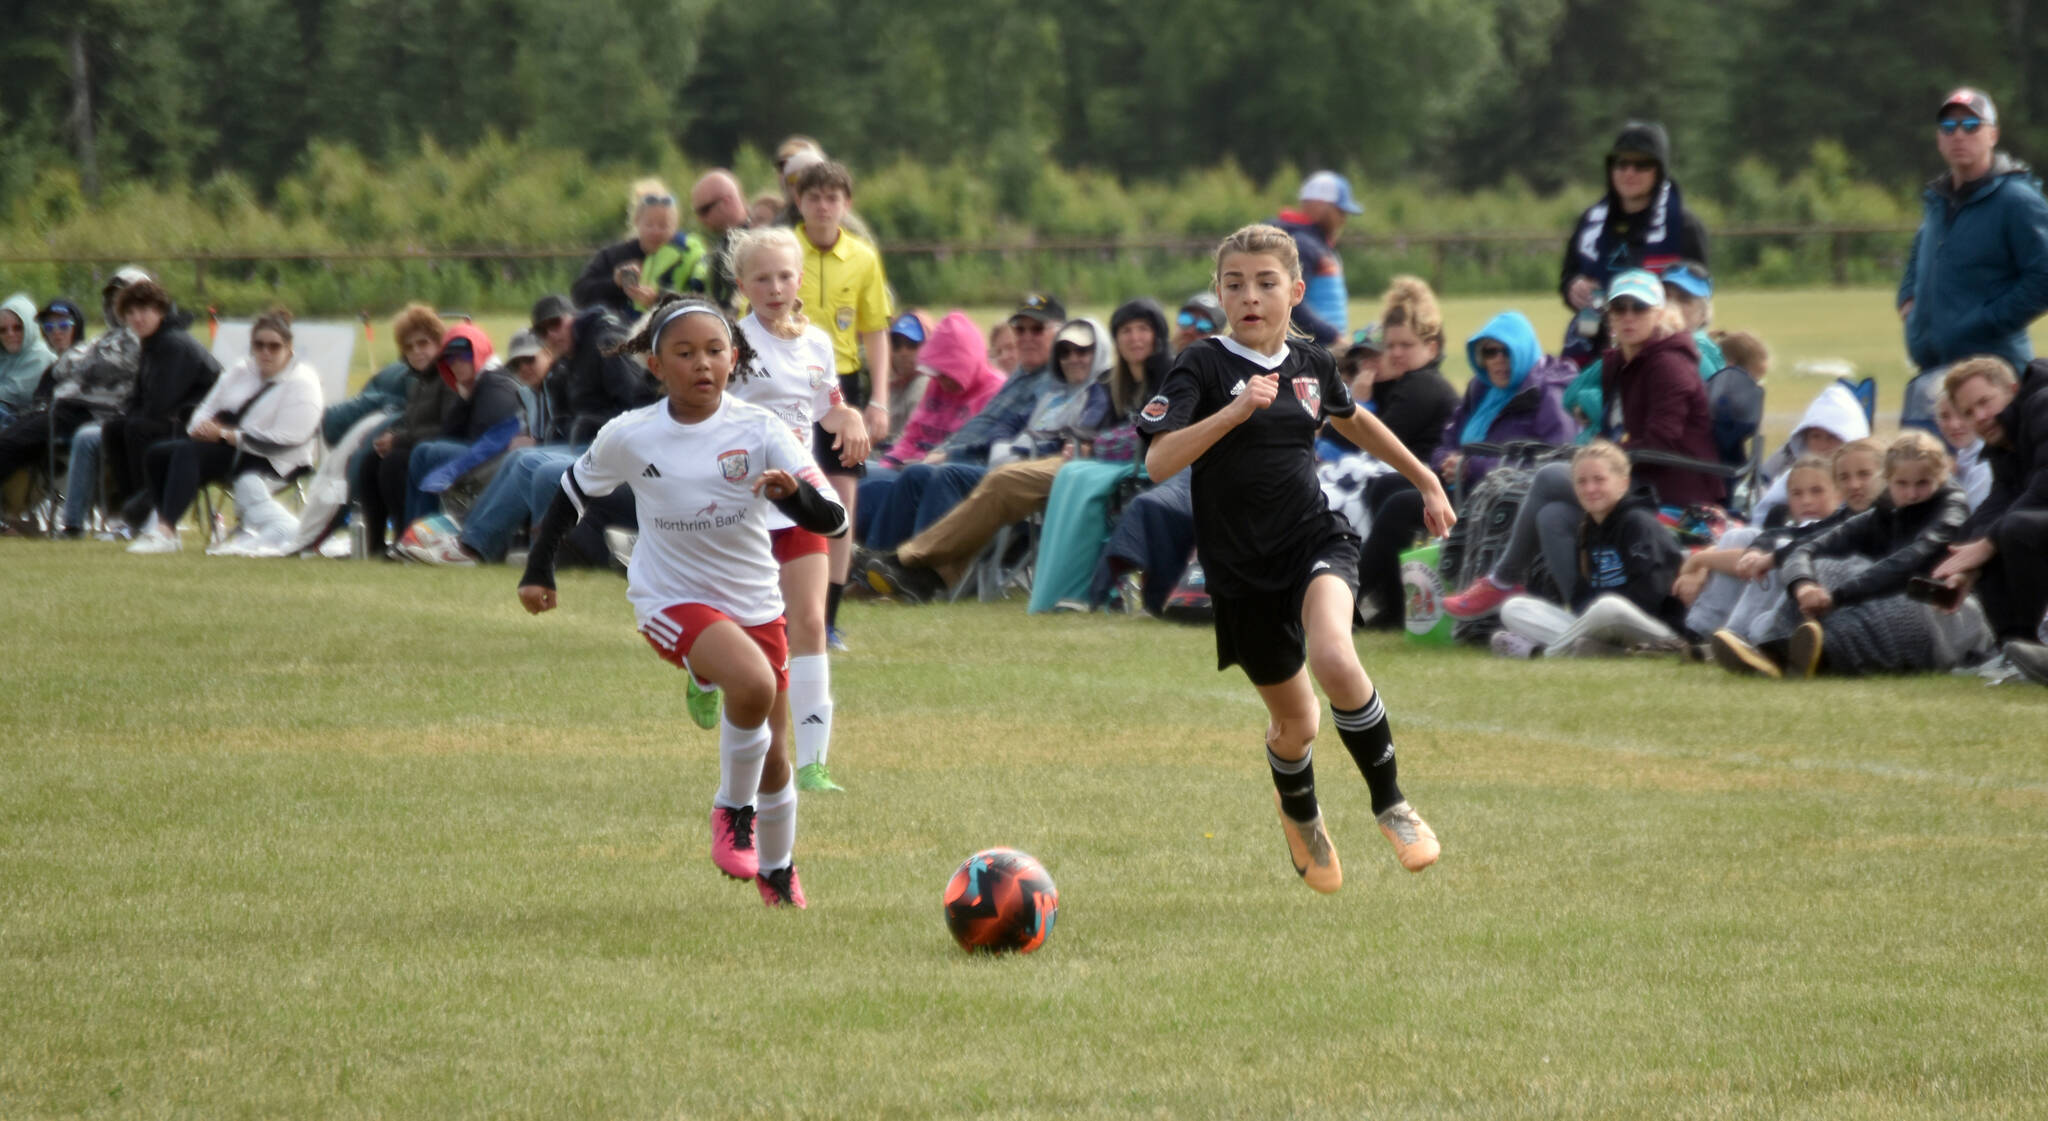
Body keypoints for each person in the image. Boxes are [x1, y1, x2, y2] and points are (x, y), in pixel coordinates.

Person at [1135, 223, 1453, 894]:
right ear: (1221, 292)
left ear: (1296, 291)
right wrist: (1230, 415)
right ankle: (1300, 809)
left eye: (1265, 282)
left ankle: (1392, 803)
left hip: (1315, 537)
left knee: (1336, 654)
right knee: (1296, 723)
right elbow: (1158, 459)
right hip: (1241, 572)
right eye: (1234, 283)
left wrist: (1424, 477)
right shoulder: (1201, 365)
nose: (1249, 295)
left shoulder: (1312, 362)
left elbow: (1352, 417)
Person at [517, 296, 850, 909]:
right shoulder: (632, 434)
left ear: (734, 359)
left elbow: (833, 518)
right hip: (670, 599)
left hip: (754, 605)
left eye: (716, 351)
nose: (703, 364)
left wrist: (793, 498)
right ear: (655, 365)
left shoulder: (761, 430)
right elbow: (571, 491)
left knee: (776, 757)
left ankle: (777, 873)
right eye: (686, 353)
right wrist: (539, 571)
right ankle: (731, 809)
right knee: (751, 685)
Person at [1443, 270, 1719, 619]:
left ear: (1659, 313)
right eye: (1619, 309)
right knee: (1552, 516)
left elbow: (1661, 442)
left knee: (1548, 477)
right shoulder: (1621, 362)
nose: (1629, 317)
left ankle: (1503, 578)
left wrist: (1603, 458)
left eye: (1640, 308)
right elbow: (1588, 405)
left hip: (1671, 489)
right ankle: (1582, 614)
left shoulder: (1670, 364)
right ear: (1609, 316)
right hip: (1634, 477)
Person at [728, 226, 870, 793]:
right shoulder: (728, 341)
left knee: (809, 623)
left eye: (784, 276)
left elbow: (826, 408)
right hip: (739, 503)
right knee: (742, 633)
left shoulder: (815, 343)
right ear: (743, 285)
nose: (775, 286)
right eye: (761, 278)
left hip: (800, 498)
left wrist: (851, 418)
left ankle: (813, 763)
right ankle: (707, 673)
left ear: (800, 280)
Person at [861, 315, 1113, 603]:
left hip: (1028, 481)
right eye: (1065, 351)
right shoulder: (1054, 395)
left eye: (1082, 351)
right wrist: (981, 447)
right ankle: (871, 570)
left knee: (946, 475)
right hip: (1002, 465)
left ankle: (917, 574)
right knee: (916, 474)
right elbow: (1008, 425)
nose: (1072, 358)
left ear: (1099, 353)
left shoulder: (1097, 394)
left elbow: (1075, 439)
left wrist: (1020, 449)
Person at [1715, 432, 1982, 678]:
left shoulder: (1951, 510)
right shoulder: (1884, 511)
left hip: (1944, 610)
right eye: (1902, 484)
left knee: (1869, 613)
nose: (1911, 494)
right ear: (1888, 481)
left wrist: (1837, 596)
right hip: (1887, 595)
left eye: (1922, 483)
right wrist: (1804, 584)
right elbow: (1811, 545)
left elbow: (1910, 559)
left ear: (1941, 478)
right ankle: (1768, 650)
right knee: (1826, 567)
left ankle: (1790, 657)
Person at [860, 294, 1064, 551]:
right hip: (973, 463)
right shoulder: (1021, 376)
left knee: (925, 476)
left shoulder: (1055, 381)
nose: (1025, 337)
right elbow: (982, 425)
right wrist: (939, 453)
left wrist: (949, 455)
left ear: (1059, 335)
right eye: (1020, 329)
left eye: (1036, 329)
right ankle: (876, 566)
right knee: (867, 472)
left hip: (1012, 475)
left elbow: (1012, 438)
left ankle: (917, 568)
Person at [791, 158, 893, 651]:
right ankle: (780, 609)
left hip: (844, 383)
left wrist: (879, 398)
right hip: (791, 384)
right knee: (786, 496)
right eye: (814, 197)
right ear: (799, 202)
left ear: (846, 205)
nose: (823, 206)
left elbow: (875, 328)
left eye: (832, 198)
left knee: (841, 502)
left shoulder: (863, 257)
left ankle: (827, 620)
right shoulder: (784, 251)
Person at [125, 309, 322, 554]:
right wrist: (201, 426)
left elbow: (290, 439)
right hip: (228, 447)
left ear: (289, 348)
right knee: (157, 454)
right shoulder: (241, 370)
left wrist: (228, 436)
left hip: (273, 458)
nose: (265, 353)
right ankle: (163, 526)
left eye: (274, 346)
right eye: (259, 346)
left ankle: (164, 531)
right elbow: (207, 407)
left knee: (188, 454)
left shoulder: (302, 383)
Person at [1028, 298, 1174, 612]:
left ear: (1156, 335)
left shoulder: (1173, 376)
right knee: (1070, 473)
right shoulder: (1111, 381)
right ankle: (1057, 587)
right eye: (1126, 331)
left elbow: (1152, 431)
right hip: (1117, 464)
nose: (1134, 338)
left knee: (1085, 482)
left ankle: (1089, 590)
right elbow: (1092, 431)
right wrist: (1096, 442)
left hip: (1155, 465)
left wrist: (1109, 440)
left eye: (1142, 330)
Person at [1898, 89, 2048, 379]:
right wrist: (1908, 303)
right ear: (1939, 137)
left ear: (1993, 135)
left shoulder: (2016, 200)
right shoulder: (1939, 199)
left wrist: (1985, 322)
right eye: (1949, 127)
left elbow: (2044, 276)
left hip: (1991, 376)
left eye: (1971, 126)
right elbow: (1921, 252)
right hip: (1933, 370)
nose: (1958, 135)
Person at [1491, 441, 1686, 658]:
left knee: (1607, 607)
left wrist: (1596, 621)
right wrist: (1589, 620)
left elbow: (1652, 594)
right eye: (1581, 482)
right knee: (1514, 608)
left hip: (1654, 627)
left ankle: (1547, 655)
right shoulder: (1590, 528)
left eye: (1599, 480)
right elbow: (1581, 596)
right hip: (1601, 626)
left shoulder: (1637, 522)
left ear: (1623, 484)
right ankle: (1603, 651)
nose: (1590, 489)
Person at [1351, 277, 1459, 629]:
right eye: (1391, 345)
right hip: (1422, 478)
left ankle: (1350, 597)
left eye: (1406, 346)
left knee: (1390, 495)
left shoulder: (1423, 386)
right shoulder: (1408, 383)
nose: (1395, 353)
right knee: (1382, 488)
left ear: (1431, 347)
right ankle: (1392, 603)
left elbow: (1373, 438)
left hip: (1442, 483)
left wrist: (1360, 402)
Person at [1559, 122, 1709, 365]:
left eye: (1641, 165)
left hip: (1662, 350)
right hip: (1594, 346)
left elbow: (1699, 299)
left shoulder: (1684, 226)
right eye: (1621, 164)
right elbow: (1568, 276)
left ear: (1659, 170)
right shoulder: (1591, 223)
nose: (1629, 172)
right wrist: (1573, 286)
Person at [1930, 356, 2048, 647]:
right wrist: (1962, 566)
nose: (1980, 416)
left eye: (1985, 402)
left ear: (2012, 389)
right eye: (1969, 412)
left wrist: (1988, 542)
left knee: (2013, 530)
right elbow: (1998, 503)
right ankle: (2014, 650)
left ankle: (2033, 644)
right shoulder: (2006, 445)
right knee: (1980, 540)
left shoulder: (2043, 404)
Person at [354, 323, 496, 558]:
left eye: (423, 344)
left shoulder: (447, 376)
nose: (416, 351)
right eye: (409, 347)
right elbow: (414, 423)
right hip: (418, 445)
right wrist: (393, 435)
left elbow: (448, 427)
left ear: (439, 345)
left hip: (448, 449)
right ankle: (375, 545)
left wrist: (399, 440)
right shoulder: (420, 382)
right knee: (370, 462)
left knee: (394, 463)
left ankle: (406, 537)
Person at [1679, 454, 1846, 647]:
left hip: (1805, 600)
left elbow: (1760, 558)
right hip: (1773, 577)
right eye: (1797, 494)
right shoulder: (1788, 525)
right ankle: (1700, 631)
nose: (1806, 500)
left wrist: (1700, 560)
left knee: (1780, 549)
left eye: (1817, 491)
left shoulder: (1841, 526)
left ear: (1838, 494)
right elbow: (1752, 552)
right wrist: (1702, 565)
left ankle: (1738, 636)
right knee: (1738, 536)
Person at [101, 280, 221, 531]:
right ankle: (131, 509)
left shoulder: (173, 343)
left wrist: (133, 415)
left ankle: (148, 512)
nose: (137, 318)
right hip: (174, 419)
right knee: (114, 428)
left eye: (144, 310)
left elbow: (162, 401)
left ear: (161, 311)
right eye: (130, 313)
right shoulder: (153, 341)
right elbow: (140, 396)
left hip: (202, 425)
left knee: (137, 427)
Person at [1430, 311, 1576, 494]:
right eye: (1490, 352)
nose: (1498, 360)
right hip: (1465, 491)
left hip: (1509, 501)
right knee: (1396, 488)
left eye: (1507, 351)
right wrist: (1445, 462)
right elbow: (1448, 441)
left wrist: (1471, 468)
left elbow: (1557, 464)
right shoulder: (1480, 389)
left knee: (1403, 504)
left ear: (1523, 351)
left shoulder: (1550, 395)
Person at [870, 312, 1006, 473]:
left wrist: (923, 464)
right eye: (897, 345)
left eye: (947, 373)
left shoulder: (994, 390)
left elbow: (979, 451)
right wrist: (889, 463)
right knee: (861, 473)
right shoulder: (935, 384)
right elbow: (912, 436)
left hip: (949, 474)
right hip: (910, 467)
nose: (940, 379)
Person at [571, 179, 708, 319]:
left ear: (675, 226)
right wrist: (615, 283)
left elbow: (701, 299)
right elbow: (579, 295)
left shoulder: (687, 255)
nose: (655, 231)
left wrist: (658, 300)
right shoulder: (613, 256)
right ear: (637, 221)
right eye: (649, 224)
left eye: (663, 225)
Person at [1749, 380, 1871, 526]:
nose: (1823, 445)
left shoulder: (1865, 478)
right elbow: (1762, 516)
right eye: (1816, 437)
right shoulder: (1799, 476)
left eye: (1832, 437)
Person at [1271, 171, 1362, 345]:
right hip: (1312, 348)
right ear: (1320, 206)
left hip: (1320, 347)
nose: (1344, 219)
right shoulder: (1304, 244)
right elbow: (1293, 301)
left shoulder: (1315, 242)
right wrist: (1332, 336)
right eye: (1340, 211)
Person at [688, 169, 752, 313]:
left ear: (726, 202)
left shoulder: (759, 241)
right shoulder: (724, 244)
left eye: (704, 210)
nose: (700, 219)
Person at [0, 292, 56, 425]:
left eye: (18, 328)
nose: (10, 334)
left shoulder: (40, 355)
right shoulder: (4, 355)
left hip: (28, 420)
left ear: (30, 327)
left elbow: (14, 393)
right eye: (3, 330)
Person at [1934, 391, 1994, 511]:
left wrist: (1947, 479)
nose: (1954, 425)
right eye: (1945, 416)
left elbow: (1966, 518)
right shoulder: (1962, 456)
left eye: (1962, 414)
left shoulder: (1984, 466)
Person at [883, 311, 934, 439]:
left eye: (912, 344)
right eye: (896, 345)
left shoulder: (925, 384)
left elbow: (913, 439)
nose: (903, 352)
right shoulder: (890, 385)